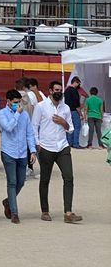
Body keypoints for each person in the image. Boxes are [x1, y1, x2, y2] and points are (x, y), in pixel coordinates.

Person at [33, 80, 81, 223]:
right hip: (46, 147)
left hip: (62, 146)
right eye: (56, 90)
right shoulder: (41, 107)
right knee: (45, 180)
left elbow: (70, 128)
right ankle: (45, 211)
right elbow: (34, 126)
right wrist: (37, 144)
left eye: (60, 90)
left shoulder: (65, 108)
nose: (58, 92)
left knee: (69, 177)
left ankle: (68, 212)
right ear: (50, 91)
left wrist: (63, 122)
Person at [0, 90, 37, 224]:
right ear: (8, 101)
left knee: (21, 181)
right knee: (12, 182)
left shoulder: (25, 115)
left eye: (19, 102)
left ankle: (8, 201)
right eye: (15, 102)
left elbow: (29, 133)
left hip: (22, 153)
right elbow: (8, 127)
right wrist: (17, 114)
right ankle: (14, 212)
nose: (18, 105)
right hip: (8, 152)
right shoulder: (2, 113)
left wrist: (32, 150)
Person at [63, 77, 85, 148]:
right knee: (77, 127)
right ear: (75, 82)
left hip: (67, 111)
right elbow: (76, 104)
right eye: (78, 83)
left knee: (69, 127)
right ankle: (76, 143)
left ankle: (69, 143)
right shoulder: (74, 91)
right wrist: (80, 114)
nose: (79, 85)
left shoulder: (66, 90)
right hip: (74, 111)